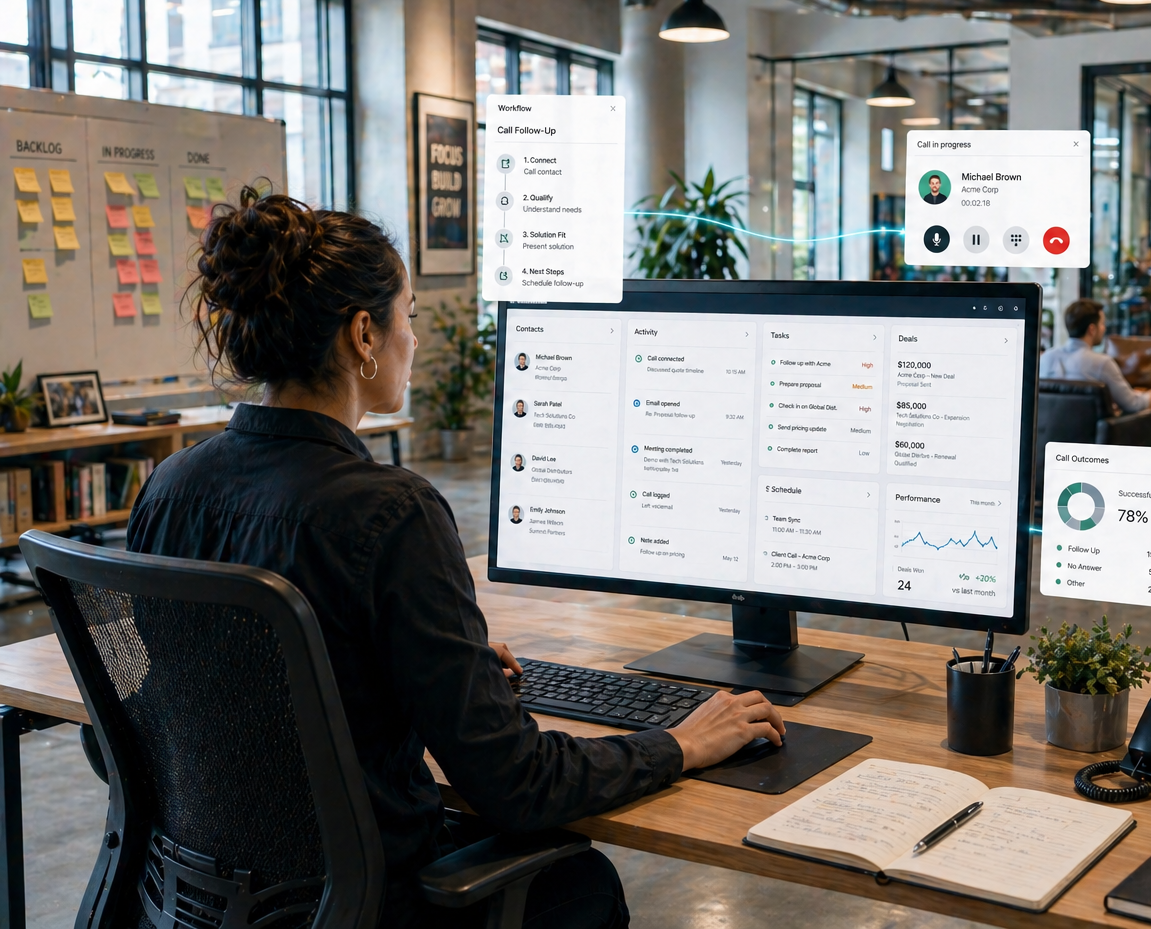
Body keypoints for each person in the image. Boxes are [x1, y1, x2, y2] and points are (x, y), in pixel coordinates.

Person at [126, 189, 784, 928]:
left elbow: (146, 702)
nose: (416, 339)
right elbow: (517, 784)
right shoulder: (392, 513)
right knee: (582, 882)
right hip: (372, 902)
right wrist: (679, 743)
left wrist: (423, 668)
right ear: (363, 334)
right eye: (409, 314)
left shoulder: (169, 489)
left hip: (202, 897)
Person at [1039, 299, 1151, 414]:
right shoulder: (1102, 363)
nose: (1104, 328)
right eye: (1102, 323)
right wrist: (1150, 397)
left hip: (1047, 433)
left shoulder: (1045, 359)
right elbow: (1132, 404)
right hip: (1089, 435)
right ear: (1092, 329)